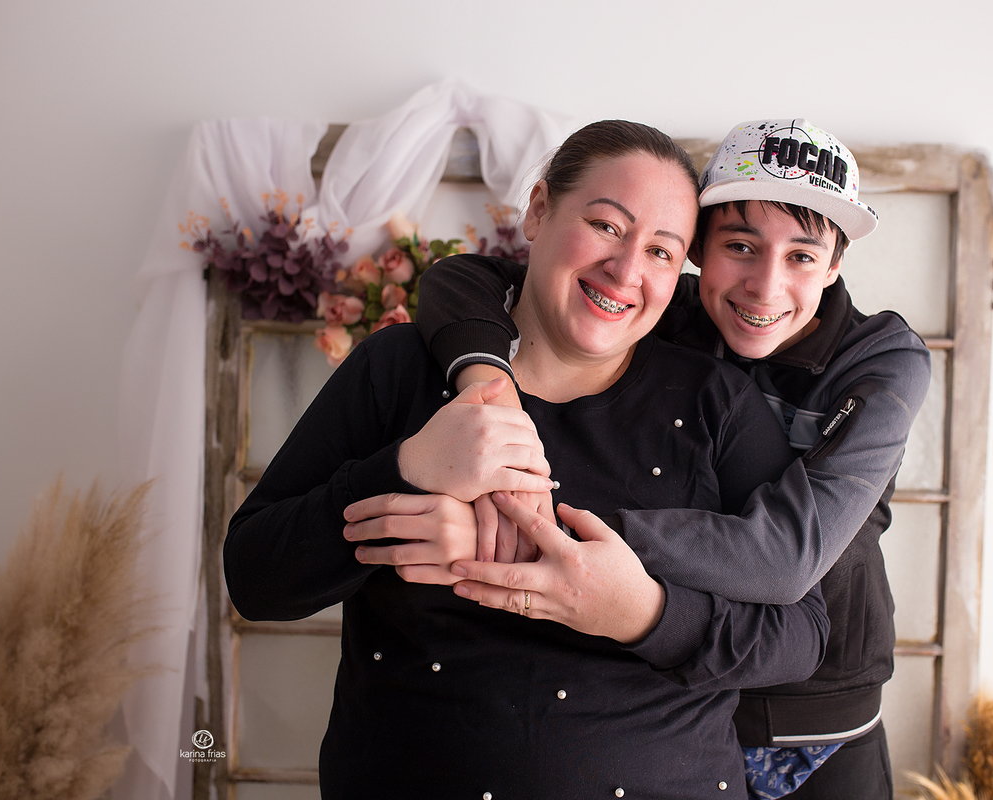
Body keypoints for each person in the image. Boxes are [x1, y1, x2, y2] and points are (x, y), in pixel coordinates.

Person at [224, 120, 829, 799]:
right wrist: (407, 470)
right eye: (605, 225)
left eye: (662, 251)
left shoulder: (717, 402)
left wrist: (643, 613)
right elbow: (253, 576)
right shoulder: (399, 370)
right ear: (539, 210)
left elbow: (803, 635)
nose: (627, 270)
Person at [412, 119, 932, 799]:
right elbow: (466, 279)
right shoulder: (665, 309)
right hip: (676, 694)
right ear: (696, 252)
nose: (764, 287)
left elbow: (785, 555)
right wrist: (490, 380)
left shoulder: (881, 361)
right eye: (740, 247)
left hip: (821, 707)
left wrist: (552, 533)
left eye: (802, 257)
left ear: (835, 265)